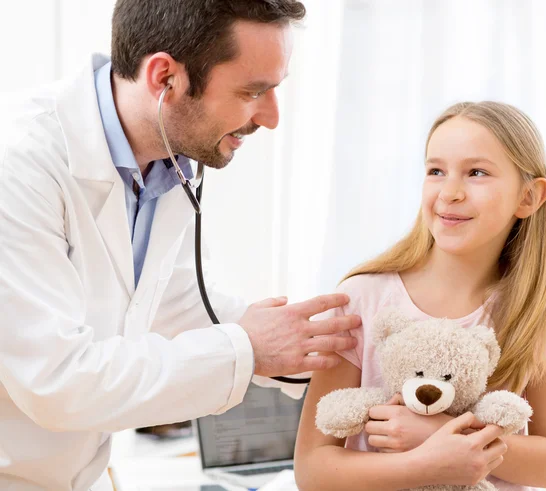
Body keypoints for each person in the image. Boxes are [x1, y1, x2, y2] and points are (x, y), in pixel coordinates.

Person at [0, 1, 365, 490]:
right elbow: (56, 381)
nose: (272, 117)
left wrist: (345, 354)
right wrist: (251, 349)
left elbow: (183, 306)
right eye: (253, 91)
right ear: (165, 77)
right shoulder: (19, 164)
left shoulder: (163, 169)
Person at [294, 101, 546, 491]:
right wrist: (429, 459)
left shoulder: (543, 309)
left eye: (477, 173)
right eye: (436, 171)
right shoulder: (362, 299)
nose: (449, 192)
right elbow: (313, 470)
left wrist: (442, 431)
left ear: (529, 197)